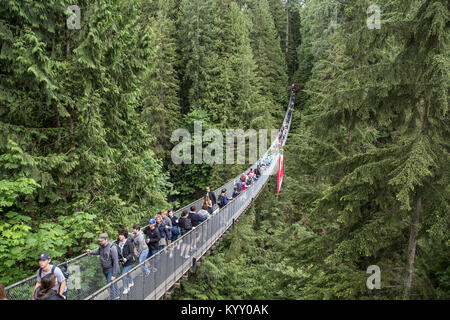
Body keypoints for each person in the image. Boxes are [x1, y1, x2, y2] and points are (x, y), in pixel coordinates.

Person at [86, 233, 120, 300]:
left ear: (106, 239)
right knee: (113, 283)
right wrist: (91, 252)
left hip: (111, 269)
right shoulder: (101, 246)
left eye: (101, 241)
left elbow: (116, 262)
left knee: (109, 285)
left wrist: (114, 274)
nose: (100, 242)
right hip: (104, 269)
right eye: (99, 241)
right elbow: (97, 251)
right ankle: (117, 295)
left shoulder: (112, 248)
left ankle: (112, 298)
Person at [115, 230, 136, 294]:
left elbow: (132, 253)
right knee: (127, 272)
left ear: (124, 236)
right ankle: (131, 282)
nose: (119, 236)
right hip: (122, 261)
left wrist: (126, 258)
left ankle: (126, 288)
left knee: (124, 274)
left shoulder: (128, 242)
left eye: (121, 235)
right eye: (119, 235)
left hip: (129, 262)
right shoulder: (118, 242)